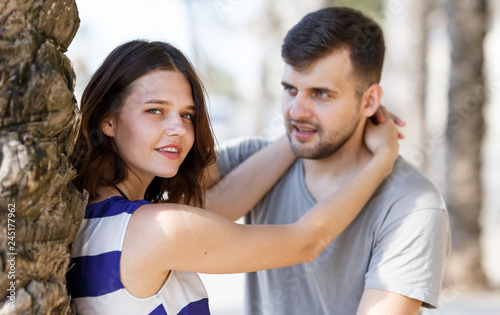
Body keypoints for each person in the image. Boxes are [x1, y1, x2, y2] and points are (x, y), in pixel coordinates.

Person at [65, 40, 400, 314]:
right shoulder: (158, 229)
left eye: (187, 115)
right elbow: (307, 241)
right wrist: (383, 159)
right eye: (156, 110)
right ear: (108, 120)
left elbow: (222, 203)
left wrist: (304, 127)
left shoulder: (86, 217)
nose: (179, 129)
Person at [207, 6, 450, 315]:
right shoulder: (252, 159)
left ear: (370, 100)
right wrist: (300, 133)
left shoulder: (411, 204)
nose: (296, 110)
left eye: (321, 94)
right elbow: (178, 207)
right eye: (290, 89)